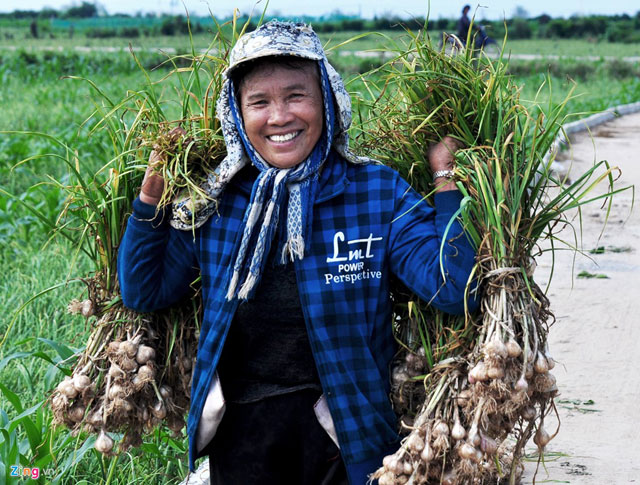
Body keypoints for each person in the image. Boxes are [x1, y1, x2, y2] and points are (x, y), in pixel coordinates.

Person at [118, 20, 478, 485]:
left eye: (296, 96)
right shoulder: (215, 199)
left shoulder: (375, 192)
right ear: (237, 114)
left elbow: (454, 289)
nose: (279, 117)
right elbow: (144, 291)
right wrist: (149, 201)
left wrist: (446, 176)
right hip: (240, 430)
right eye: (259, 102)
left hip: (344, 429)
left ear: (327, 101)